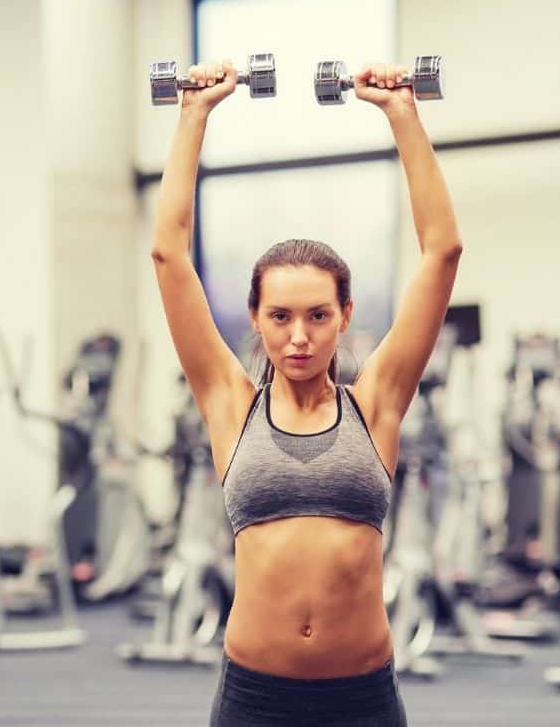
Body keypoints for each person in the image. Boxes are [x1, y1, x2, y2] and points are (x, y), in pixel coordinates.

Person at [150, 59, 461, 726]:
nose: (298, 336)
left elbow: (442, 252)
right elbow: (169, 256)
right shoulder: (230, 405)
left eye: (318, 315)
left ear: (344, 315)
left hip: (363, 697)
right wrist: (193, 114)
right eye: (281, 317)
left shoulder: (375, 404)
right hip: (255, 699)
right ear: (256, 319)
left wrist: (401, 112)